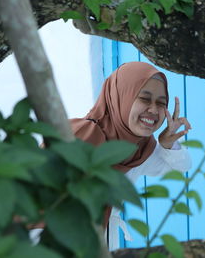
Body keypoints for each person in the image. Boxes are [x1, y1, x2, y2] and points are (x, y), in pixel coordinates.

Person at [70, 61, 192, 250]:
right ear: (121, 97)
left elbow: (180, 166)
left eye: (161, 103)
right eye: (144, 98)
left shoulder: (140, 148)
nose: (153, 110)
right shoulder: (77, 138)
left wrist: (167, 143)